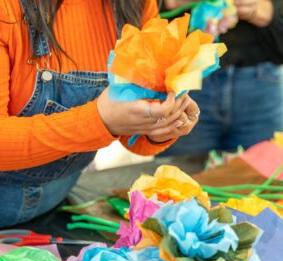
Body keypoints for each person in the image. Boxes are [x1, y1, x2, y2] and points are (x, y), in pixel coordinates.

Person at [0, 0, 200, 227]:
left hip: (55, 206)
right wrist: (100, 121)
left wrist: (160, 124)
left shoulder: (135, 5)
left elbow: (136, 141)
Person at [161, 0, 283, 156]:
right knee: (177, 175)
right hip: (181, 78)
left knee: (264, 174)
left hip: (262, 83)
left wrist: (266, 9)